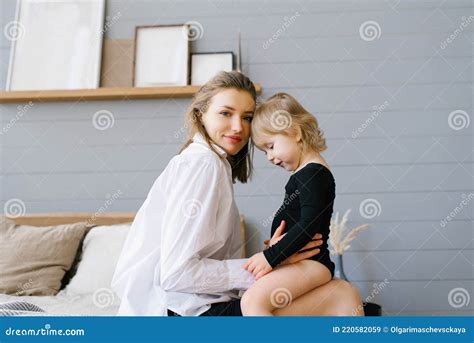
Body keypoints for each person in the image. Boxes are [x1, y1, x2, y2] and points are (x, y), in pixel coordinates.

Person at [111, 71, 363, 316]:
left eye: (247, 117)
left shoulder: (211, 163)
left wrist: (274, 257)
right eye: (225, 113)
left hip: (193, 305)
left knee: (342, 294)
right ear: (201, 114)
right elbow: (176, 273)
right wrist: (269, 261)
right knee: (340, 296)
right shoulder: (203, 164)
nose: (238, 127)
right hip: (182, 311)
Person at [241, 93, 336, 315]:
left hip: (312, 263)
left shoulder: (314, 174)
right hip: (302, 262)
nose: (269, 157)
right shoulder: (307, 173)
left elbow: (308, 224)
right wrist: (274, 247)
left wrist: (270, 257)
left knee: (252, 302)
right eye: (265, 151)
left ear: (295, 132)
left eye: (271, 146)